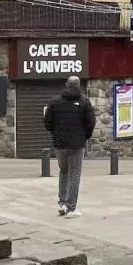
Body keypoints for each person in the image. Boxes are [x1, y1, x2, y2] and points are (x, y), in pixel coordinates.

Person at [42, 75, 97, 215]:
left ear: (66, 84)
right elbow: (91, 122)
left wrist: (56, 134)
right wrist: (85, 136)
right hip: (77, 145)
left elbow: (47, 122)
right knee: (74, 174)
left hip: (60, 144)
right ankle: (71, 208)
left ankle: (62, 203)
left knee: (64, 171)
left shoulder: (55, 102)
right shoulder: (84, 102)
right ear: (78, 85)